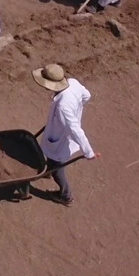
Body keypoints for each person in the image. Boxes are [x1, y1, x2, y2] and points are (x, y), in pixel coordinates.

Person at [32, 64, 99, 206]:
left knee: (57, 168)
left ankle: (65, 195)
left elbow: (75, 130)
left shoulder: (63, 106)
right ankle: (47, 171)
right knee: (51, 161)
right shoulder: (73, 83)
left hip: (61, 139)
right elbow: (87, 95)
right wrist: (77, 107)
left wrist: (88, 152)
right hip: (58, 129)